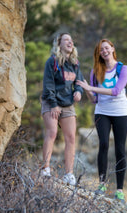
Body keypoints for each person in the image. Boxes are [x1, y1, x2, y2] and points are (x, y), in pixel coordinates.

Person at [76, 39, 127, 202]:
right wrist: (87, 90)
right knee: (104, 144)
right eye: (101, 50)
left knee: (120, 149)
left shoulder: (123, 69)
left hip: (120, 111)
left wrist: (91, 88)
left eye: (107, 48)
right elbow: (94, 100)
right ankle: (101, 184)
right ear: (98, 53)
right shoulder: (95, 71)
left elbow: (116, 91)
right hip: (102, 112)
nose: (104, 51)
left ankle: (119, 189)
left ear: (112, 48)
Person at [41, 32, 83, 186]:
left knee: (71, 137)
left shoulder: (75, 64)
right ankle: (45, 169)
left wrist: (78, 91)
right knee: (52, 133)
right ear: (59, 45)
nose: (70, 42)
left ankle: (69, 174)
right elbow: (48, 84)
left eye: (71, 40)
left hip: (67, 104)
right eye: (66, 40)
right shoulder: (52, 62)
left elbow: (79, 81)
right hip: (51, 102)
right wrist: (53, 104)